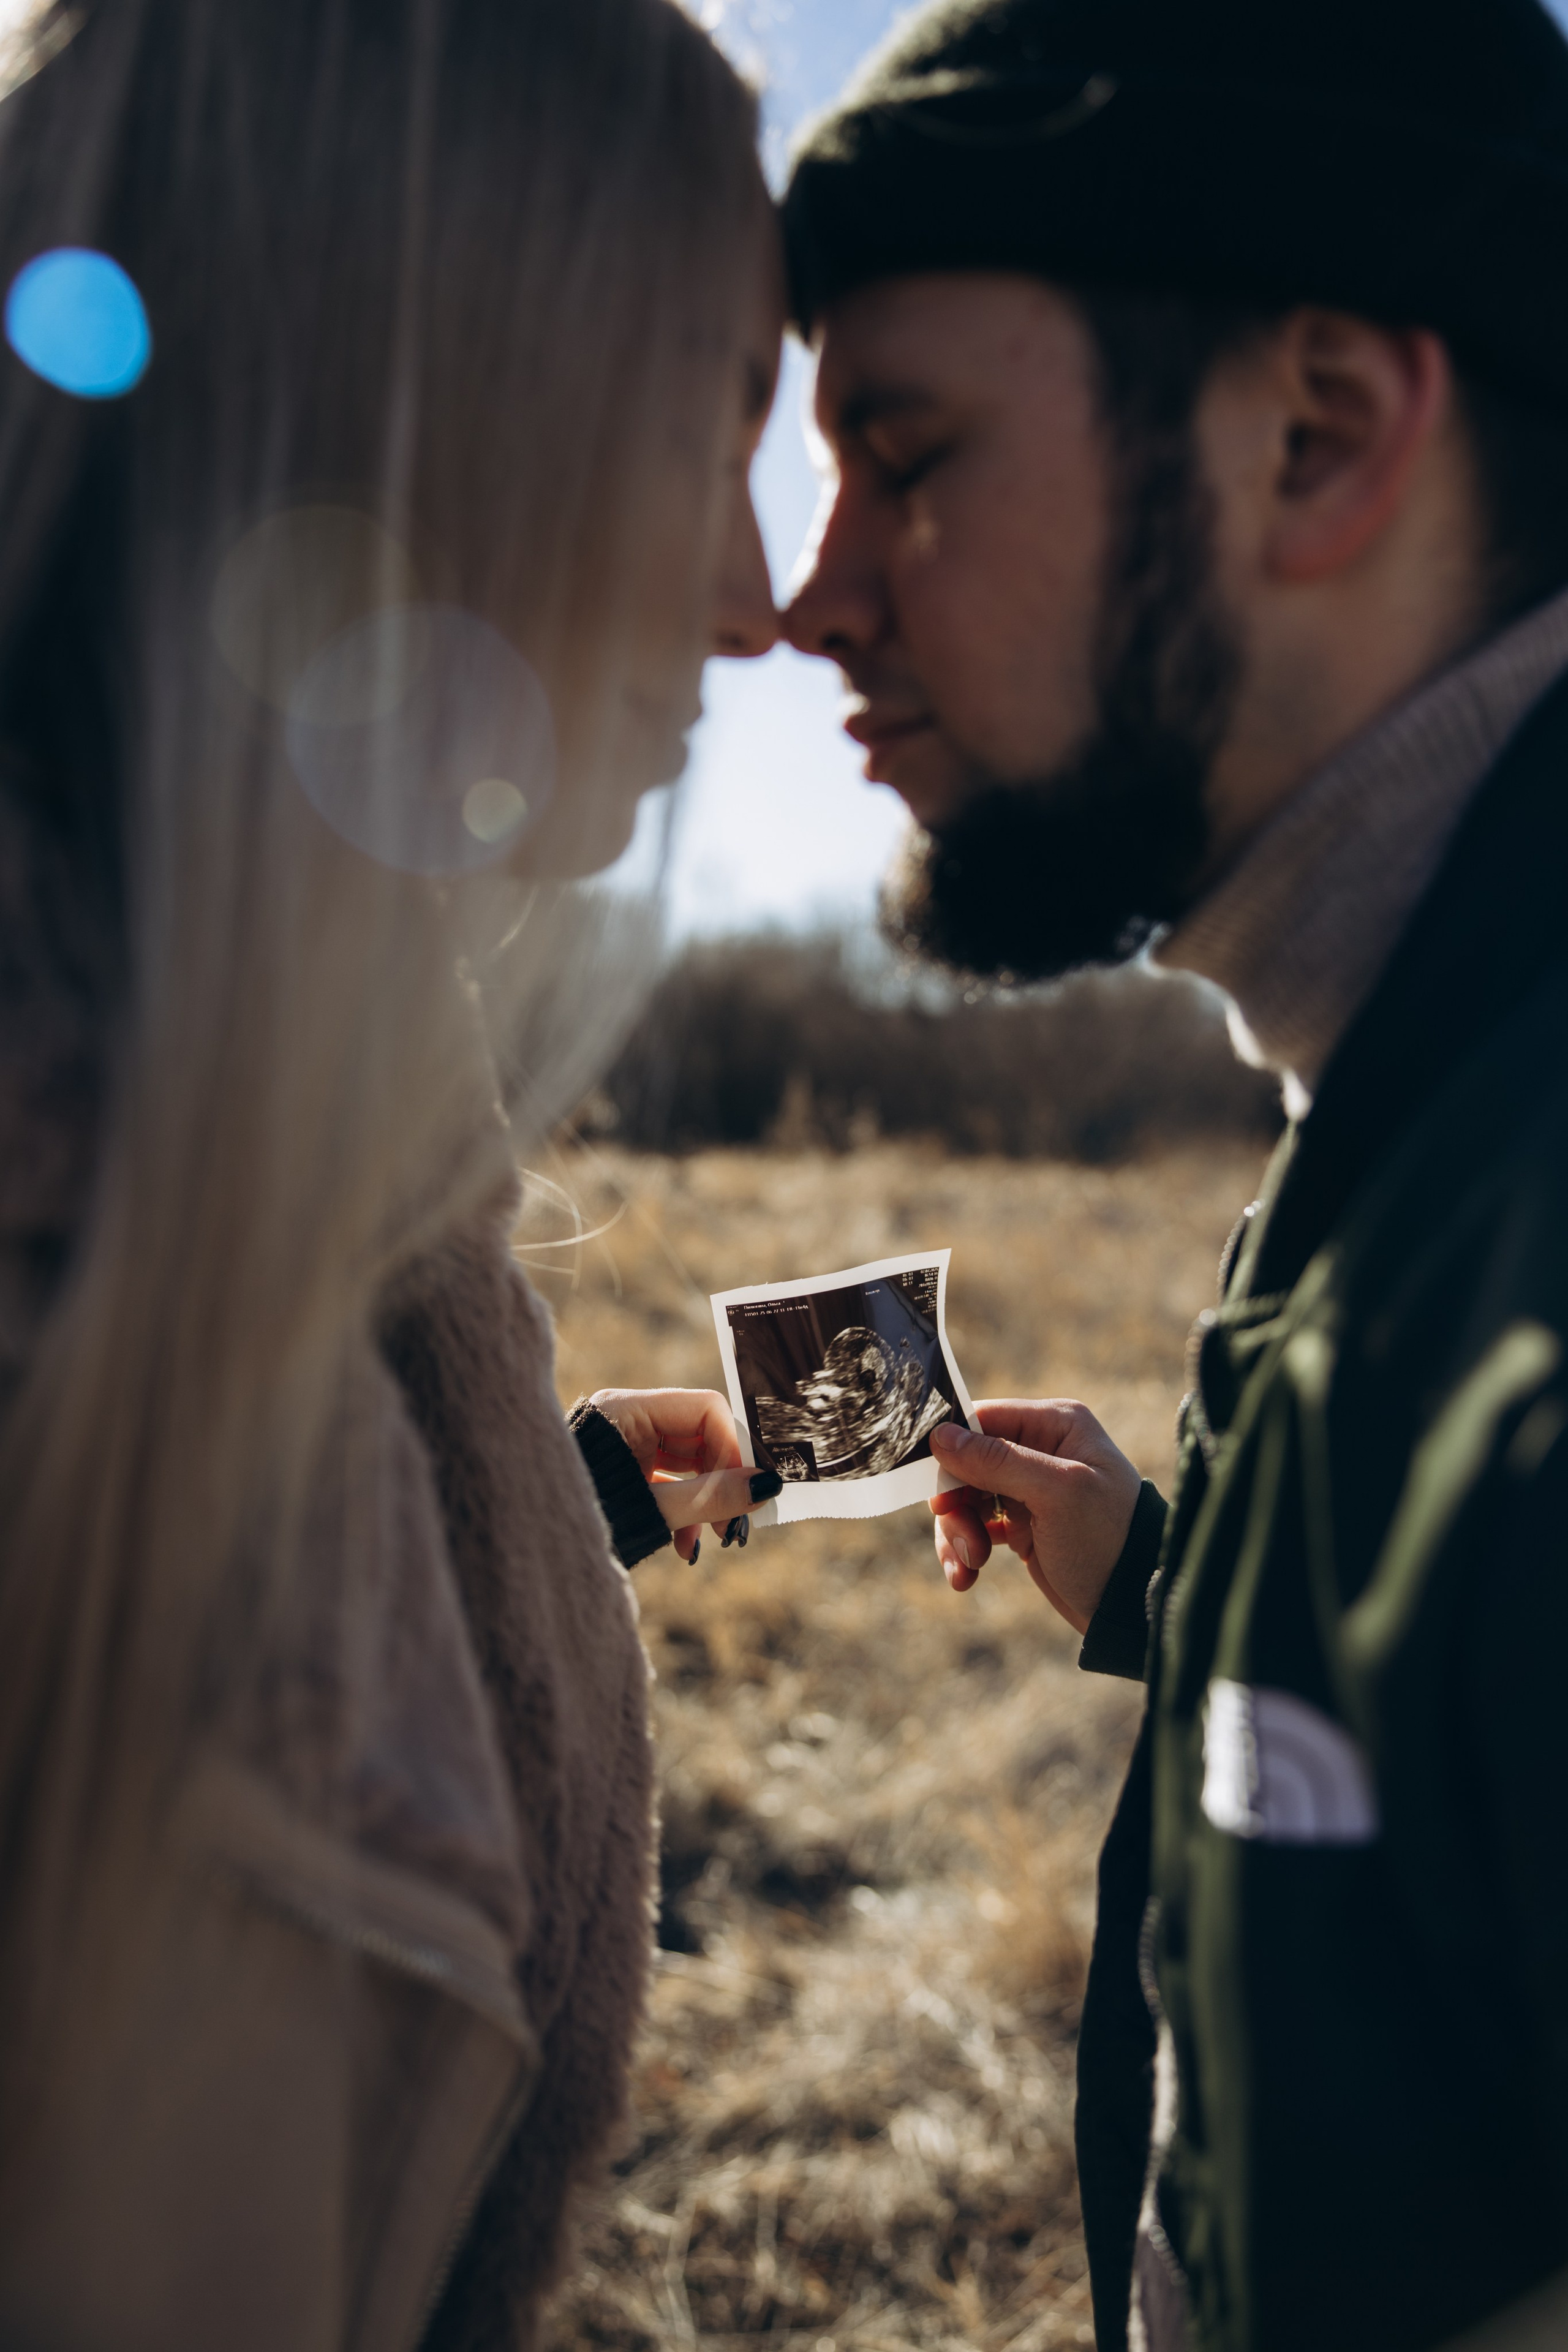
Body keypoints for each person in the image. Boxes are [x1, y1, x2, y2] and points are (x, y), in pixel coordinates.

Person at [778, 1, 1568, 2347]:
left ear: (1316, 437)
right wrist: (1199, 1591)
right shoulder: (1412, 1075)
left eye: (902, 458)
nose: (817, 598)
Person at [0, 0, 780, 2342]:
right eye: (695, 430)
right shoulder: (113, 1410)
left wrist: (535, 1513)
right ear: (419, 411)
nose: (758, 599)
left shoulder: (264, 1172)